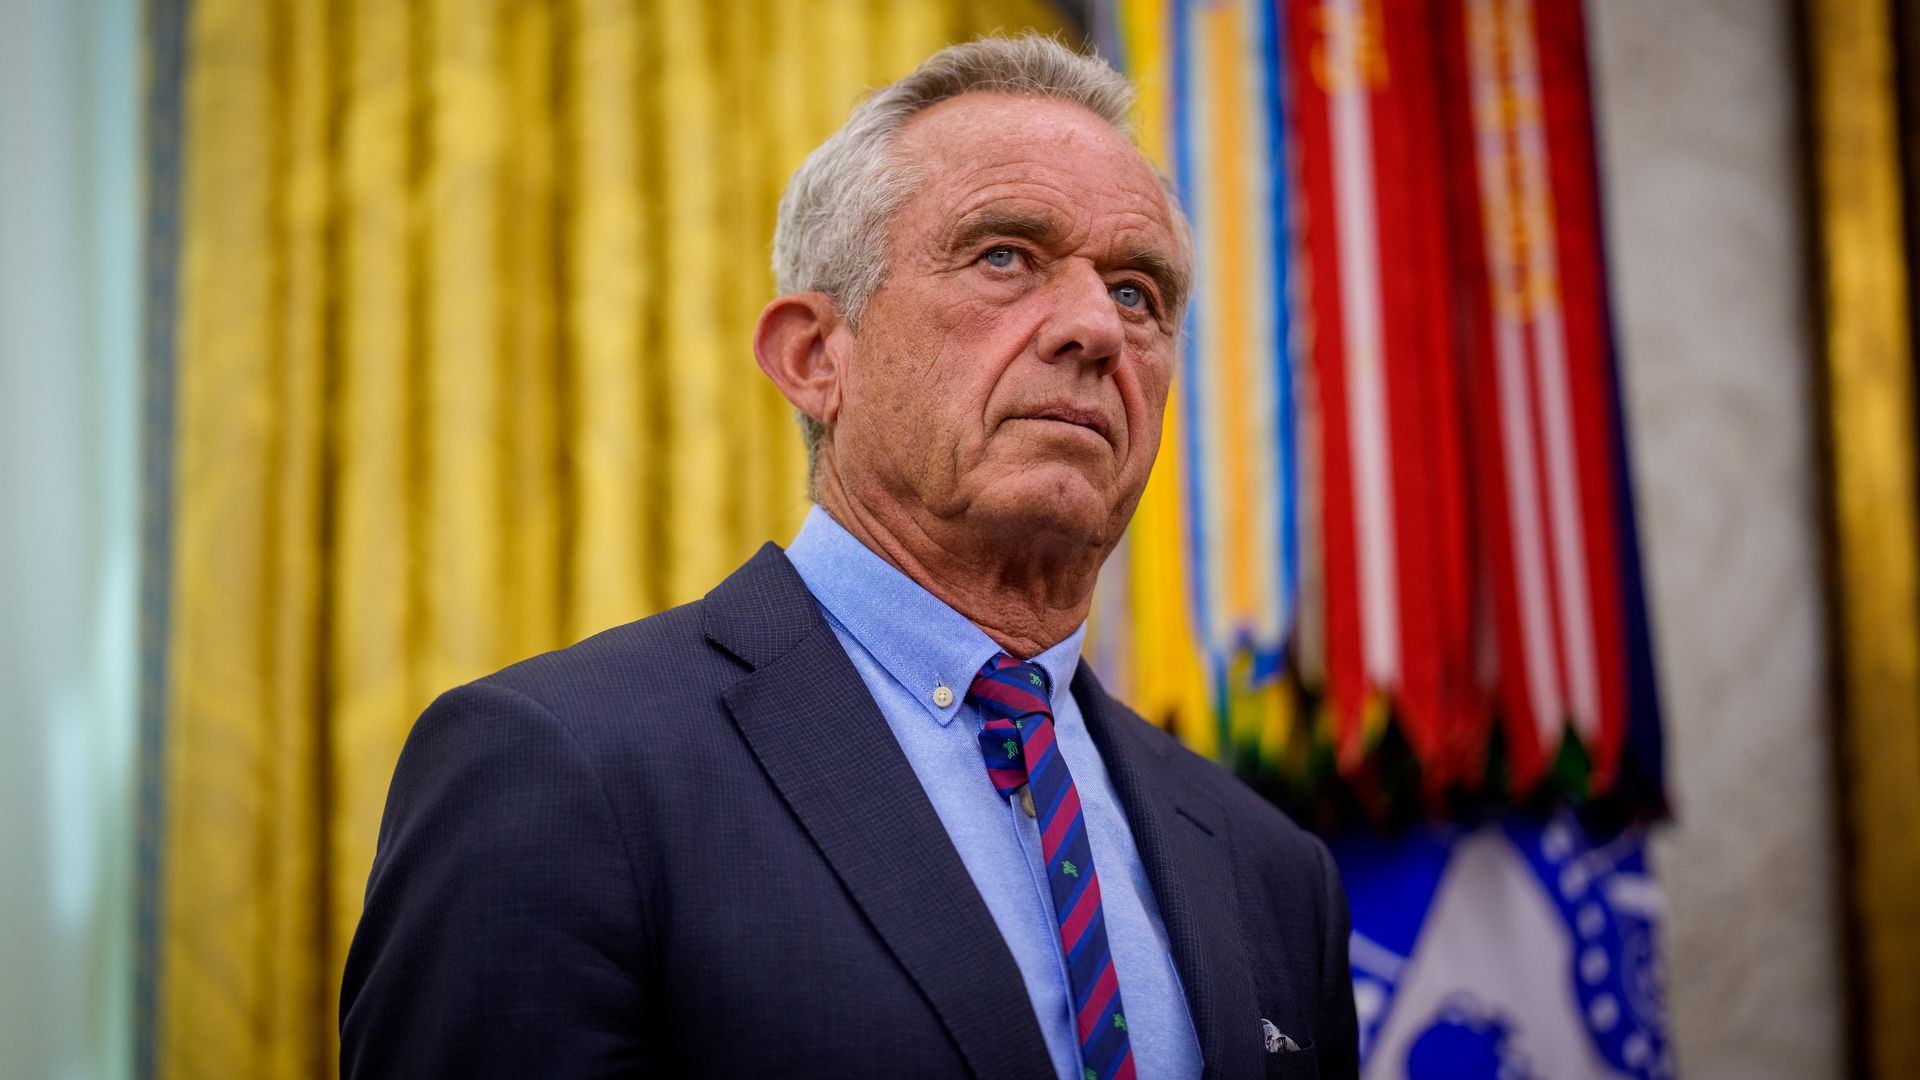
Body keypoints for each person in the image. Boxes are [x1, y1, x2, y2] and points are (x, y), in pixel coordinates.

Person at [340, 35, 1359, 1080]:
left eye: (1139, 292)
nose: (1097, 327)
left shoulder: (1274, 872)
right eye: (1007, 257)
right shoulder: (560, 769)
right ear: (816, 357)